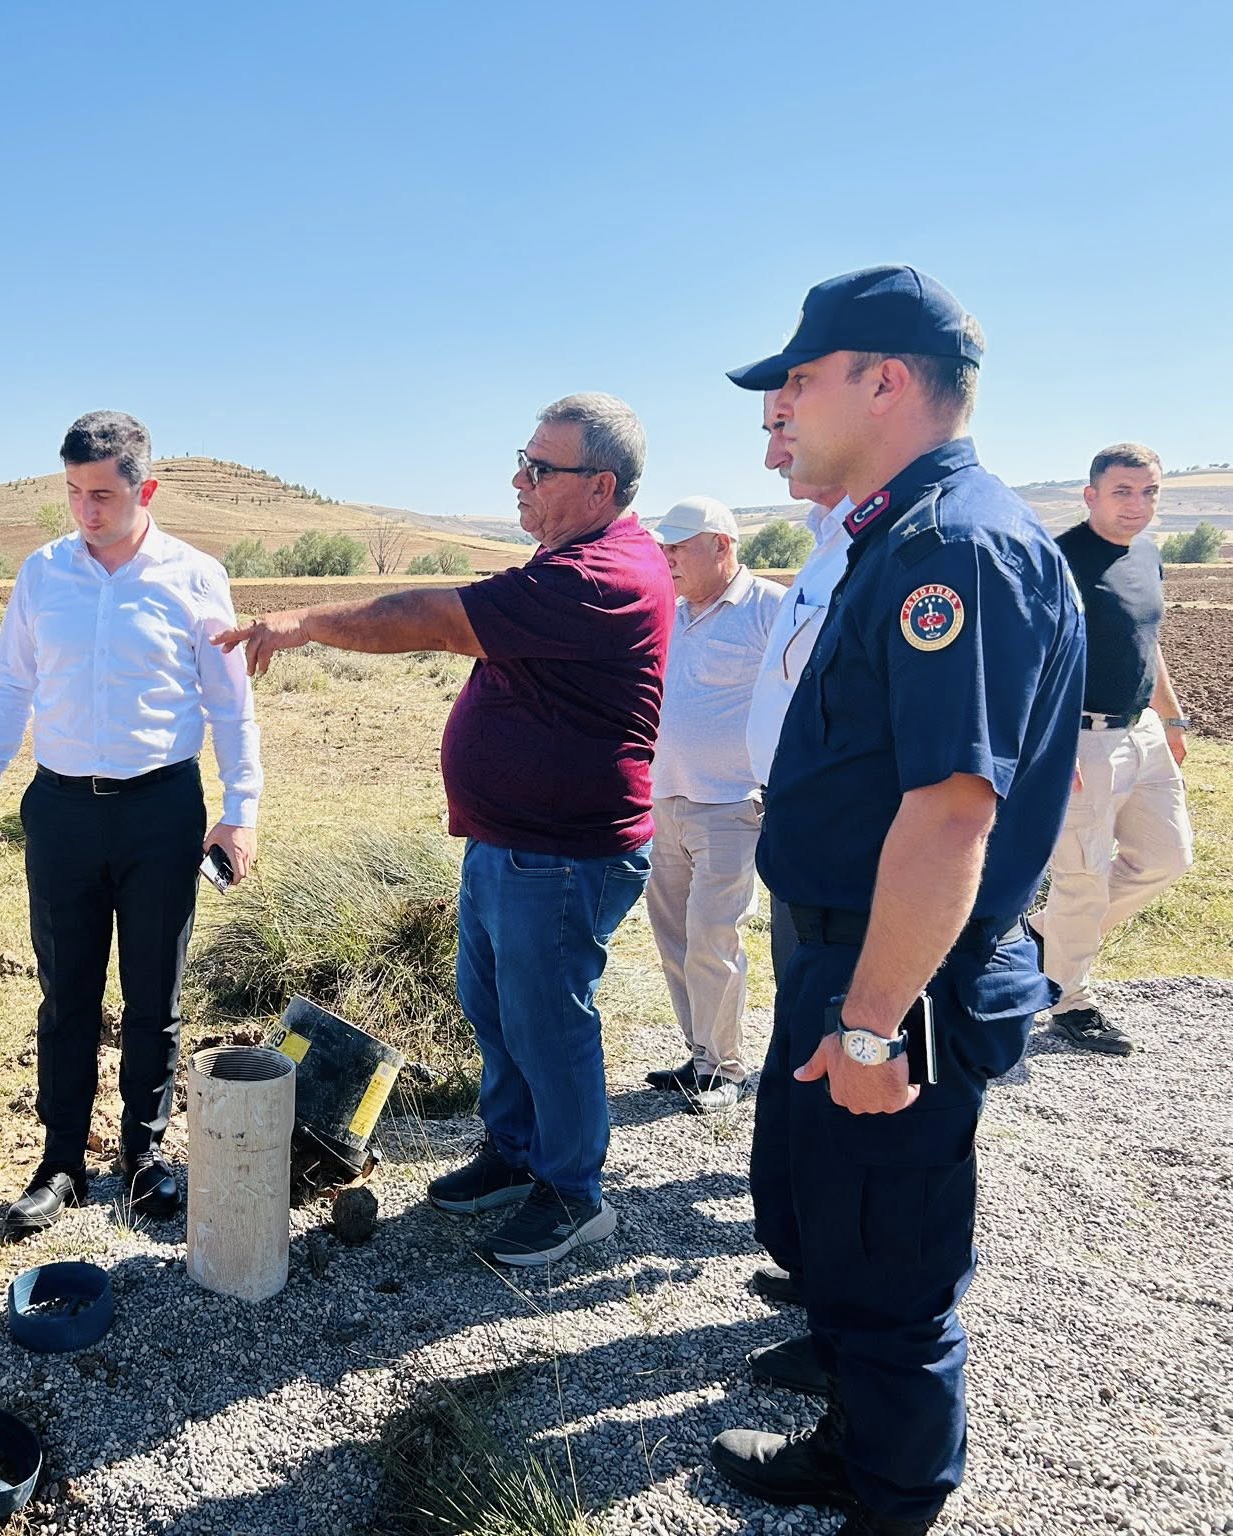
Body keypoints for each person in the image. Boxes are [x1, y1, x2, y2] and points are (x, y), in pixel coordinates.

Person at [710, 266, 1083, 1536]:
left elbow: (948, 813)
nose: (781, 407)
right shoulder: (896, 532)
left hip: (898, 974)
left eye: (798, 380)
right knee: (829, 1216)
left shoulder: (951, 549)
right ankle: (852, 1428)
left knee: (887, 1254)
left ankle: (891, 1493)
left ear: (882, 382)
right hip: (848, 951)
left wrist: (871, 1024)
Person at [216, 393, 670, 1267]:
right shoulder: (568, 559)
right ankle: (514, 1152)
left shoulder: (598, 576)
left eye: (541, 468)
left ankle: (573, 1194)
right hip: (512, 842)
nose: (519, 480)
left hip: (564, 854)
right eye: (522, 460)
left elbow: (435, 619)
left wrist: (306, 624)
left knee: (549, 1024)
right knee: (496, 1010)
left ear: (600, 486)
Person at [0, 411, 261, 1239]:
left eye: (101, 494)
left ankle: (143, 1153)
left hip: (161, 810)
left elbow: (232, 706)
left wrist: (241, 812)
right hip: (60, 810)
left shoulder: (195, 577)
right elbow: (11, 684)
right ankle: (61, 1162)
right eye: (73, 492)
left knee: (154, 991)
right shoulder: (43, 573)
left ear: (145, 488)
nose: (85, 511)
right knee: (66, 993)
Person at [738, 392, 854, 1341]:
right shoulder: (828, 543)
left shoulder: (898, 548)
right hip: (802, 843)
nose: (774, 453)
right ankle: (822, 1271)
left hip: (857, 868)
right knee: (805, 1064)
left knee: (856, 1084)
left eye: (786, 426)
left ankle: (858, 1324)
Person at [1027, 443, 1194, 1056]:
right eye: (1123, 491)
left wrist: (1170, 720)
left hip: (1143, 732)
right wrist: (1053, 744)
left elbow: (1147, 643)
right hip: (1081, 738)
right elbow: (1031, 660)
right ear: (1091, 495)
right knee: (1082, 875)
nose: (1137, 504)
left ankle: (1042, 935)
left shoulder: (1147, 554)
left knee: (1168, 858)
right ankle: (1069, 1000)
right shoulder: (1058, 561)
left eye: (1149, 491)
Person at [641, 495, 782, 1113]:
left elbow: (800, 694)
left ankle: (725, 1068)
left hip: (730, 804)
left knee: (713, 936)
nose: (667, 558)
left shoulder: (770, 608)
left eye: (679, 547)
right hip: (663, 800)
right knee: (674, 935)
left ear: (722, 545)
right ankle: (700, 1054)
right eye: (664, 547)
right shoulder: (671, 614)